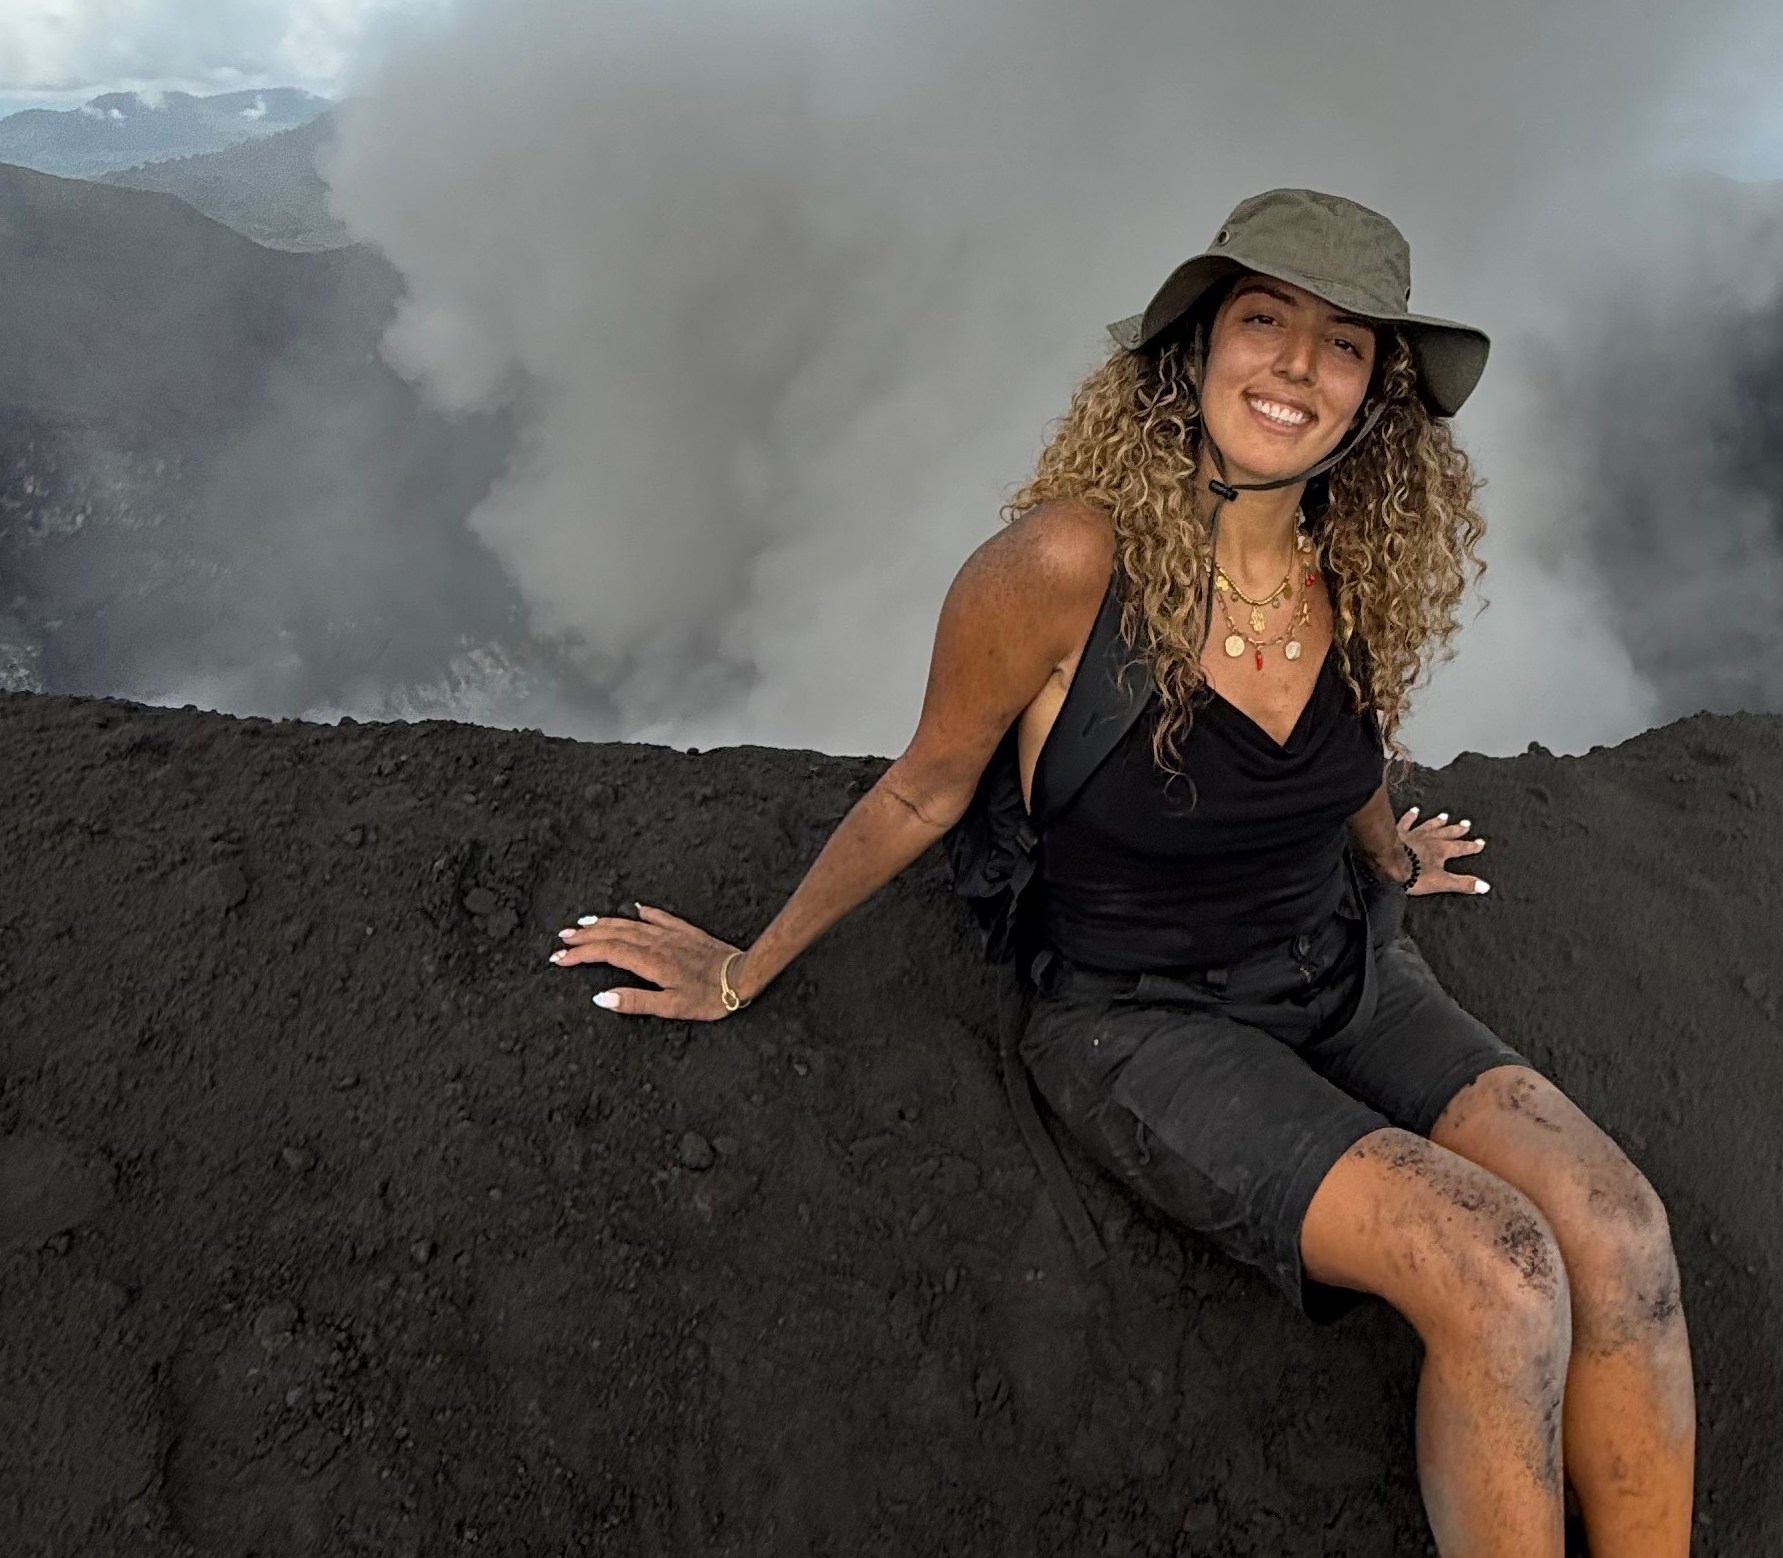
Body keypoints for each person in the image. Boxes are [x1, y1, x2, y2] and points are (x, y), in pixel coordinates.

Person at [551, 189, 1696, 1557]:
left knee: (1620, 1226)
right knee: (1501, 1271)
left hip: (1341, 970)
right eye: (1262, 319)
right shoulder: (1060, 566)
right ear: (1193, 348)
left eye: (1341, 345)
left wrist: (1391, 850)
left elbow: (1353, 747)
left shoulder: (1361, 564)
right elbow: (925, 785)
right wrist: (744, 968)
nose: (1293, 366)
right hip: (1143, 1017)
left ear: (1372, 397)